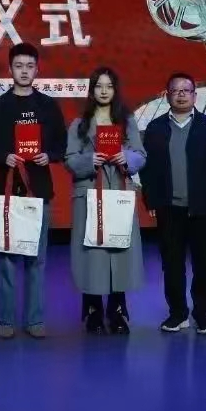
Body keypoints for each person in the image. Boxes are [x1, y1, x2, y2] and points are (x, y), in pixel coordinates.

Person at [0, 42, 67, 339]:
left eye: (29, 66)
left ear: (37, 70)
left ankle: (35, 320)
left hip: (38, 190)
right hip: (6, 190)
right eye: (19, 66)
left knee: (36, 259)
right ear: (10, 69)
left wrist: (49, 155)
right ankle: (5, 320)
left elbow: (61, 143)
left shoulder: (48, 106)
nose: (24, 71)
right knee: (6, 259)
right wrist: (3, 156)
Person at [140, 72, 206, 336]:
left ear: (195, 95)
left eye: (186, 90)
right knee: (172, 264)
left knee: (204, 264)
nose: (181, 94)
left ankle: (203, 315)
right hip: (169, 207)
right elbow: (148, 170)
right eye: (175, 90)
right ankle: (177, 314)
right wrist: (151, 199)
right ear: (166, 95)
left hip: (202, 207)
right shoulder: (156, 128)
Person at [64, 67, 146, 335]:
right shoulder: (80, 124)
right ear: (92, 90)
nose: (104, 91)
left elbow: (140, 154)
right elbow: (70, 159)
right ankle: (93, 310)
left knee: (119, 252)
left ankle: (118, 310)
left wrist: (126, 157)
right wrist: (90, 160)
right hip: (90, 193)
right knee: (93, 254)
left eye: (109, 86)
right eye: (99, 86)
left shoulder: (127, 121)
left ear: (115, 90)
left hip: (119, 191)